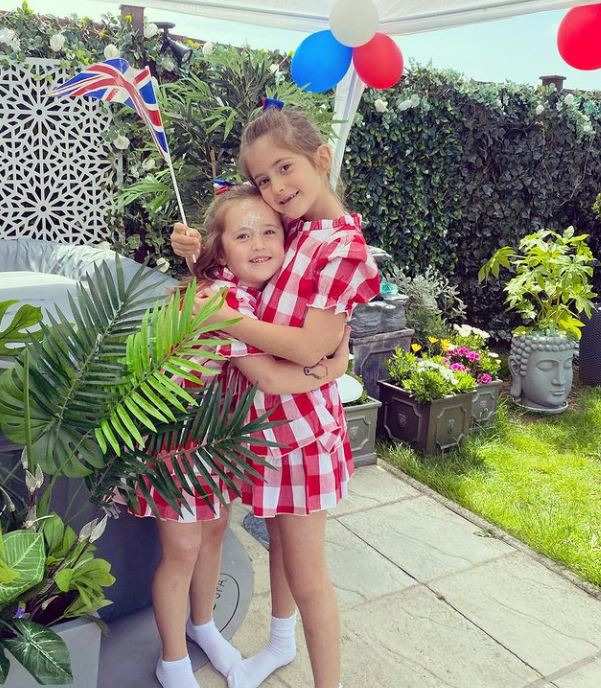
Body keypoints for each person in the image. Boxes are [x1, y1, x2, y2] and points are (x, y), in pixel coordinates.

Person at [172, 104, 380, 688]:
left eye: (284, 169)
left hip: (301, 430)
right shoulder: (296, 226)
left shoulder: (342, 247)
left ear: (321, 158)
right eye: (264, 179)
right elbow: (249, 259)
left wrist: (221, 320)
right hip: (266, 424)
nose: (275, 188)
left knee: (310, 573)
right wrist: (199, 251)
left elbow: (307, 343)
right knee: (281, 546)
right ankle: (281, 642)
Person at [134, 183, 350, 688]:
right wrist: (333, 368)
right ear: (222, 248)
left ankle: (203, 626)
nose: (258, 244)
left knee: (213, 536)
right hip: (181, 442)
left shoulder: (251, 290)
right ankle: (173, 662)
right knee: (183, 550)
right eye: (243, 235)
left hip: (218, 440)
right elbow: (272, 377)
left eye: (269, 232)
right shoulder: (226, 300)